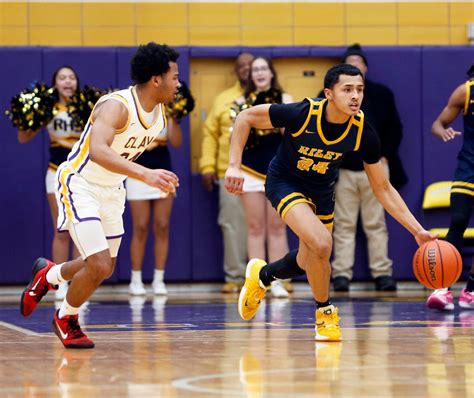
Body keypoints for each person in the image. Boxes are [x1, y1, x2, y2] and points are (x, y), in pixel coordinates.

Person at [225, 64, 437, 341]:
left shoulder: (363, 131)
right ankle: (324, 313)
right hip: (285, 182)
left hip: (322, 191)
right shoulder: (302, 113)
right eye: (347, 89)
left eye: (359, 90)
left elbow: (382, 188)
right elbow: (245, 117)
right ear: (329, 93)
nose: (355, 96)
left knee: (308, 259)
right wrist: (233, 166)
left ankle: (262, 276)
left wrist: (416, 230)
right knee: (323, 244)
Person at [19, 42, 181, 349]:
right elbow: (98, 151)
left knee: (101, 266)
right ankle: (66, 318)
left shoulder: (159, 115)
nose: (178, 83)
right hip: (80, 183)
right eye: (175, 76)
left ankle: (48, 275)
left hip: (112, 189)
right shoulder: (116, 106)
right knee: (98, 264)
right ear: (156, 79)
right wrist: (146, 174)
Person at [325, 44, 407, 292]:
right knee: (343, 225)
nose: (356, 67)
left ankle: (382, 273)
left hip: (376, 168)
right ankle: (341, 274)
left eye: (359, 63)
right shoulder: (330, 99)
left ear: (365, 69)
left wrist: (385, 157)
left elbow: (395, 129)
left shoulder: (382, 94)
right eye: (350, 63)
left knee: (376, 223)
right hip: (344, 171)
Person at [17, 66, 81, 300]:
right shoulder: (48, 108)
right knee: (61, 229)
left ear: (77, 82)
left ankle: (77, 283)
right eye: (62, 77)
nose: (67, 81)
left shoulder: (87, 108)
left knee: (79, 230)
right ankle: (60, 283)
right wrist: (28, 116)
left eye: (71, 77)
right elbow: (23, 137)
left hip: (80, 176)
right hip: (55, 173)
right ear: (55, 84)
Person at [232, 56, 293, 298]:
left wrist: (278, 119)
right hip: (249, 171)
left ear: (271, 72)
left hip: (278, 171)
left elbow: (292, 135)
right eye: (255, 69)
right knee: (255, 227)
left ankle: (277, 281)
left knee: (277, 227)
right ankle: (256, 282)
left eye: (263, 69)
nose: (259, 73)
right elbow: (236, 137)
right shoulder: (240, 103)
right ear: (250, 75)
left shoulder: (285, 99)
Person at [199, 53, 253, 294]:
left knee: (268, 226)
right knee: (232, 225)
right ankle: (235, 276)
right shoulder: (223, 99)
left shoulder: (265, 98)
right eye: (241, 66)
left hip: (262, 174)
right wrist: (207, 166)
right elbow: (210, 134)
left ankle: (270, 278)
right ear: (236, 70)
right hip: (228, 171)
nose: (246, 69)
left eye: (251, 65)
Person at [426, 64, 474, 311]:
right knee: (458, 221)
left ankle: (471, 290)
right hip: (468, 168)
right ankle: (442, 288)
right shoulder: (465, 92)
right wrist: (443, 132)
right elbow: (437, 124)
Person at [127, 117, 182, 296]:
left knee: (162, 226)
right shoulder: (133, 109)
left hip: (163, 171)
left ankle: (159, 279)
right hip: (137, 172)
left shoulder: (167, 111)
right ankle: (136, 280)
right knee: (140, 227)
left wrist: (174, 117)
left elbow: (177, 142)